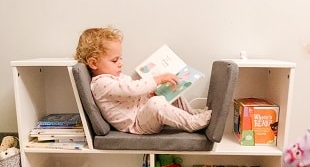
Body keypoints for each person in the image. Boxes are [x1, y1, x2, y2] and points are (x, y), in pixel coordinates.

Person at [74, 27, 212, 134]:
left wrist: (150, 93)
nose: (120, 63)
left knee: (169, 87)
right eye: (115, 60)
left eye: (120, 58)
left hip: (141, 112)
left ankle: (190, 113)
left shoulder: (113, 78)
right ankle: (191, 123)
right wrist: (157, 79)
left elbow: (131, 95)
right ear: (93, 63)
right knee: (156, 103)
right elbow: (131, 89)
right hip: (137, 124)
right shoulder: (101, 84)